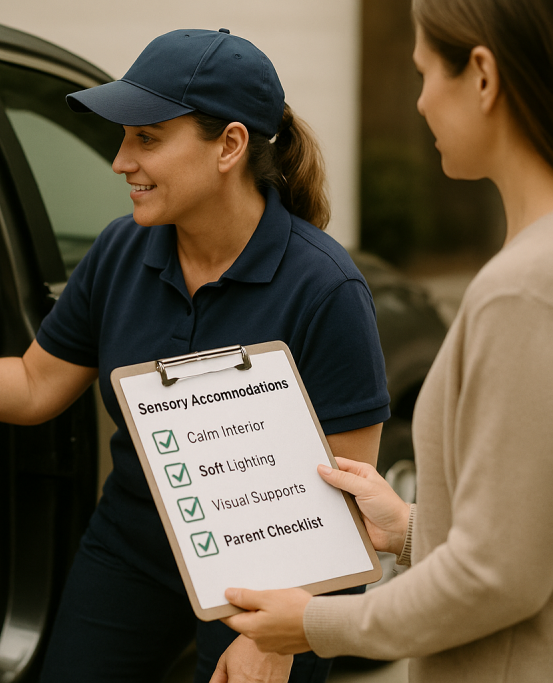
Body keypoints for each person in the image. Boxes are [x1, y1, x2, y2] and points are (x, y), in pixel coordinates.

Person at [0, 29, 390, 683]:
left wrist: (279, 638)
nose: (121, 161)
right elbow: (33, 384)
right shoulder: (121, 251)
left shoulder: (325, 287)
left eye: (146, 137)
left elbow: (348, 501)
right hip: (135, 536)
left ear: (230, 146)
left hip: (277, 566)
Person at [221, 0, 553, 681]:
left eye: (425, 73)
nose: (423, 102)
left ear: (483, 77)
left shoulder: (521, 288)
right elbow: (528, 529)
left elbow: (498, 577)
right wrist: (406, 526)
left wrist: (311, 624)